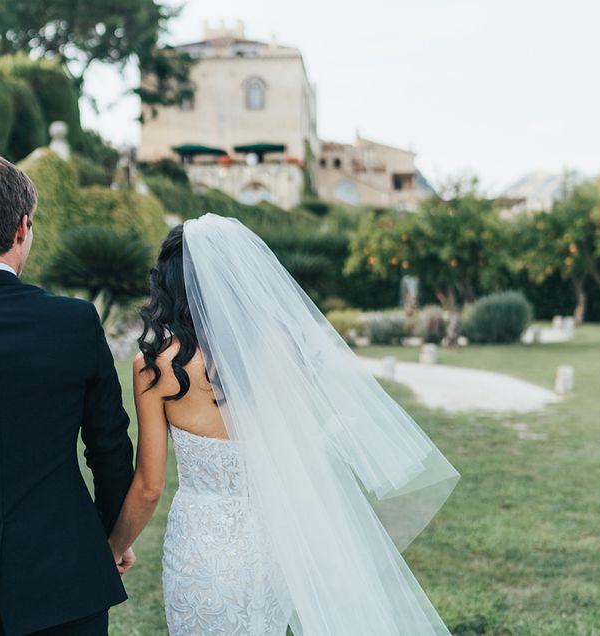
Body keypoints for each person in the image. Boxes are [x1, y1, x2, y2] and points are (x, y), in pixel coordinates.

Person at [108, 214, 461, 635]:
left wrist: (115, 547)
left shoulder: (155, 366)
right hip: (276, 545)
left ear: (169, 283)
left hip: (201, 550)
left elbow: (149, 487)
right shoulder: (281, 348)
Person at [0, 154, 135, 636]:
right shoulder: (75, 321)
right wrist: (112, 538)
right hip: (65, 576)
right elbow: (109, 449)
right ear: (23, 227)